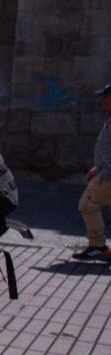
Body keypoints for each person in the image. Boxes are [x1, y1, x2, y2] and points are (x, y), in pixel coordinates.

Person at [73, 82, 111, 261]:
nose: (102, 101)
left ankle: (98, 246)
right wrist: (98, 168)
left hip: (108, 177)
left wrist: (105, 171)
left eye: (105, 97)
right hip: (104, 173)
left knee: (87, 205)